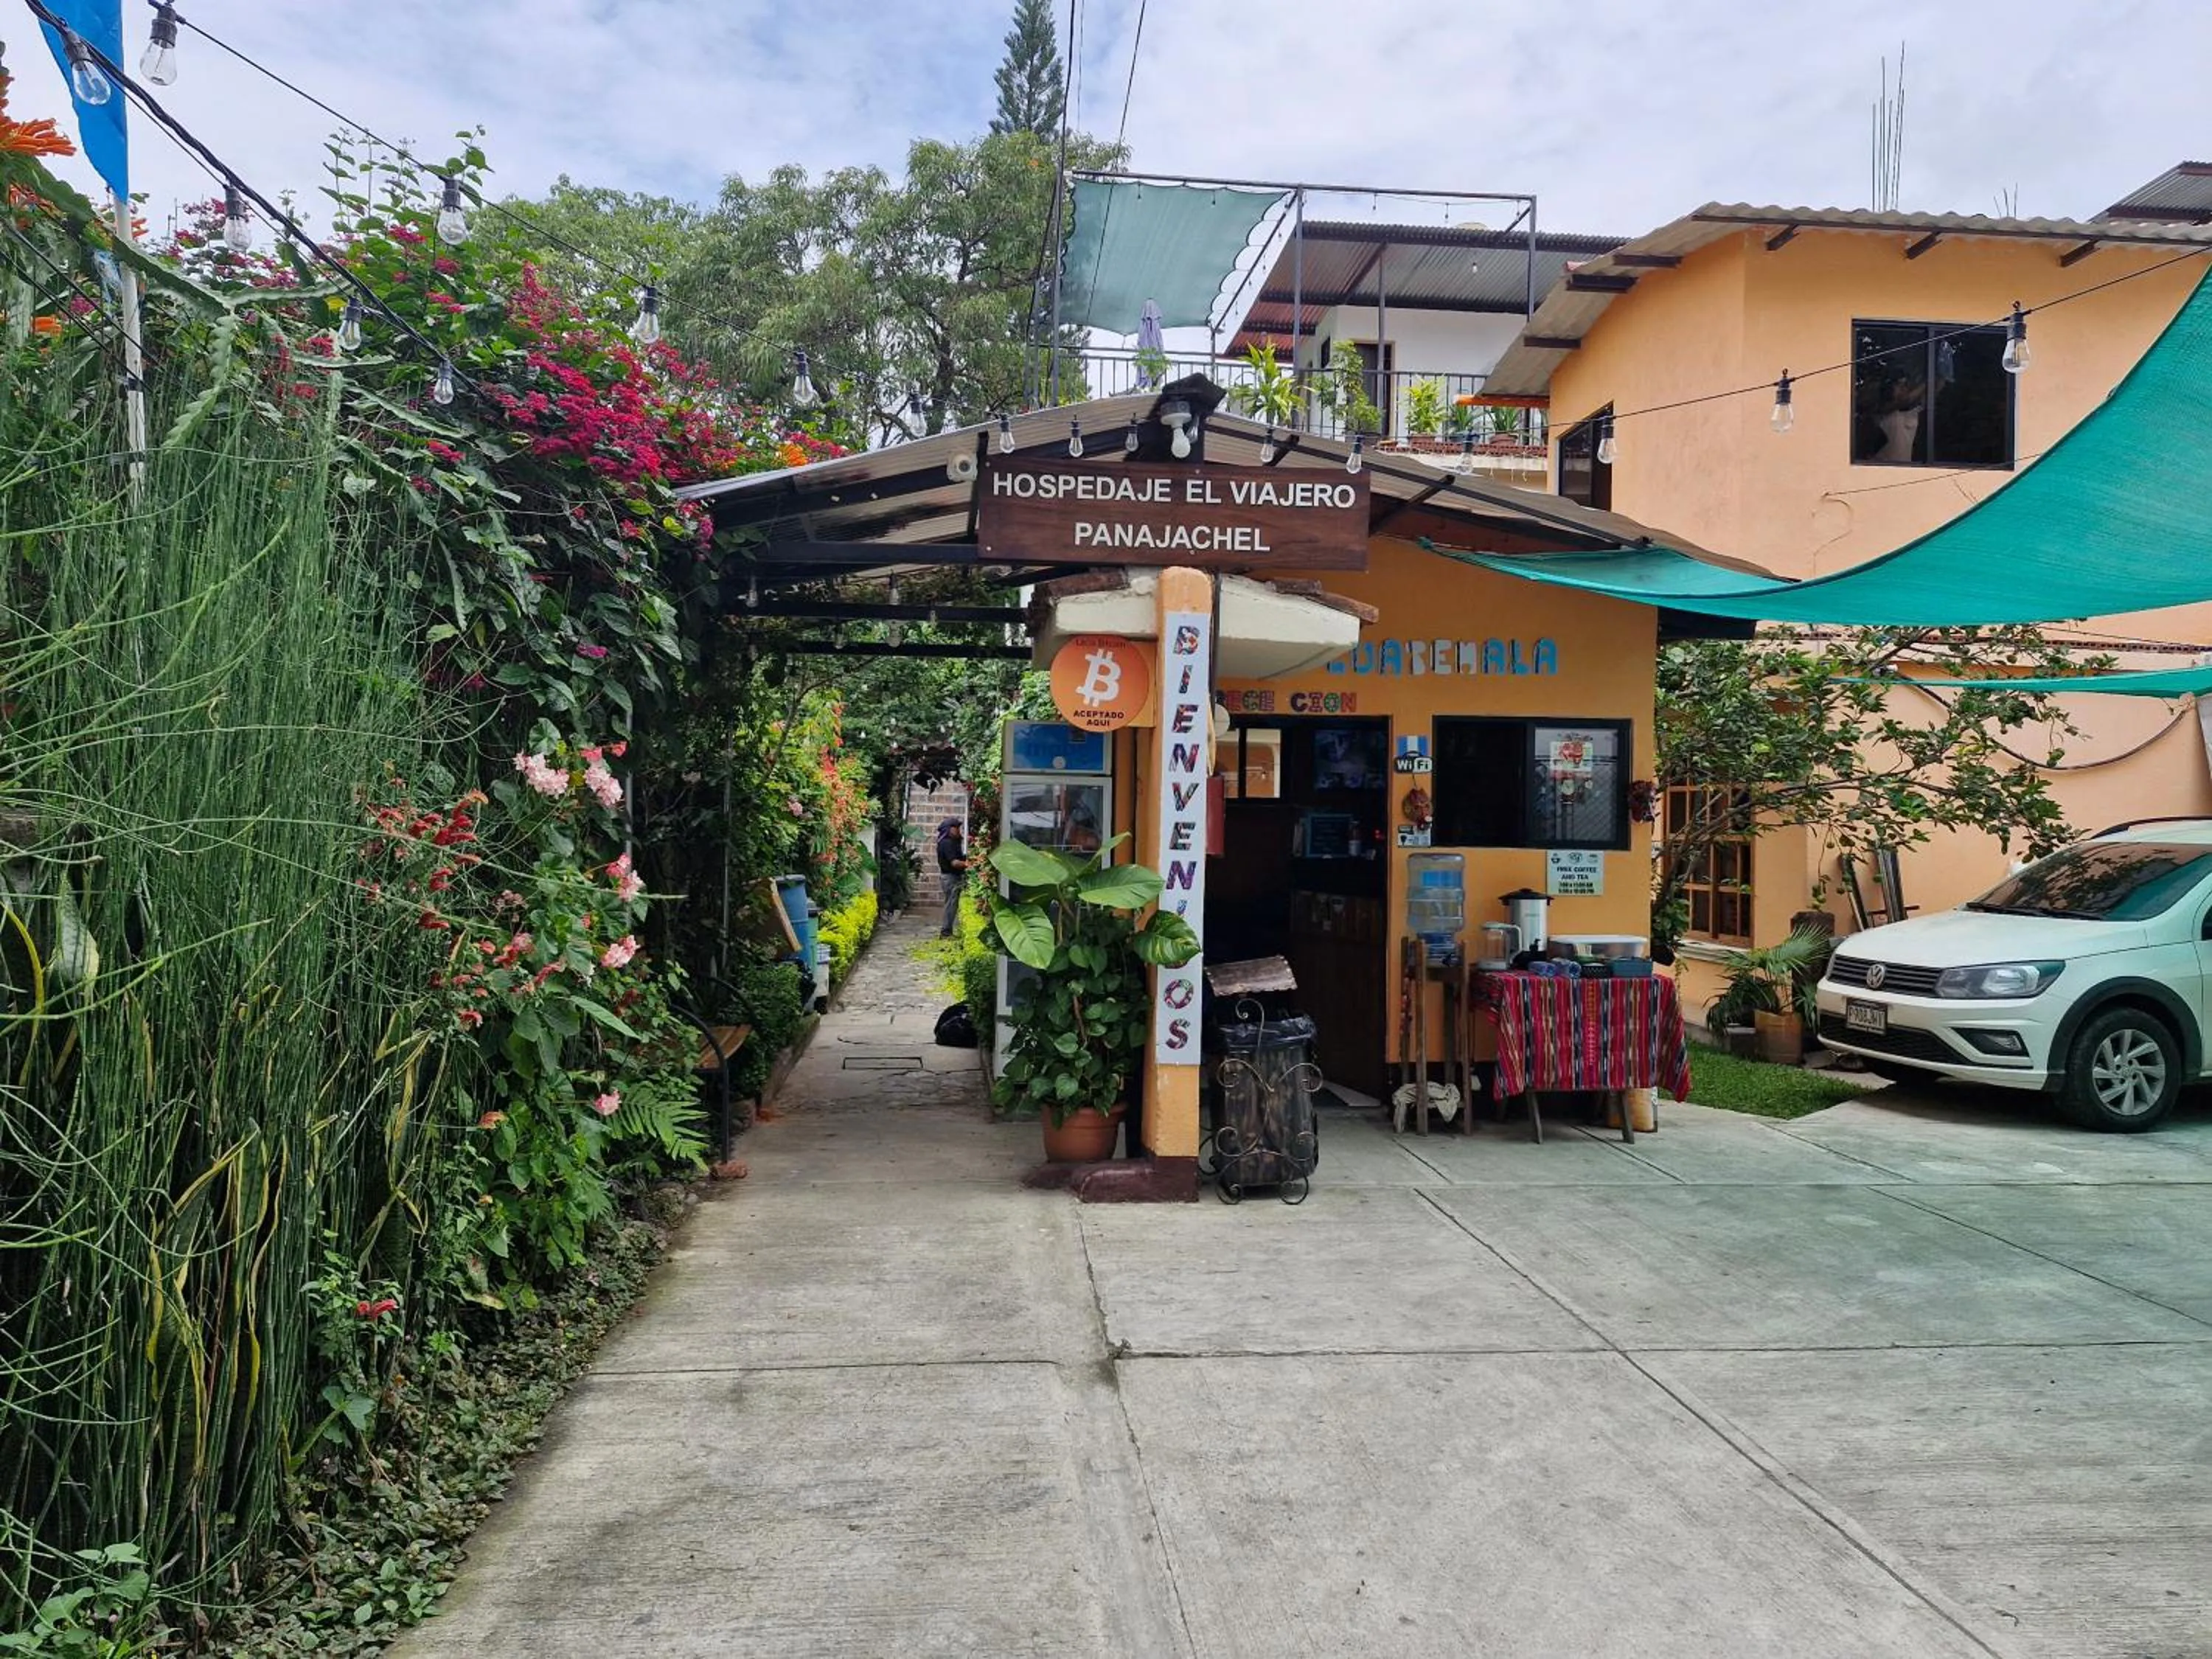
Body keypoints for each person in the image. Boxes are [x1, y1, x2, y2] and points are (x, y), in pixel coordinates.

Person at [936, 816, 968, 938]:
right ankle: (946, 932)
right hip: (950, 878)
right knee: (951, 904)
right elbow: (954, 862)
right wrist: (968, 864)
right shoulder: (947, 843)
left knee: (951, 903)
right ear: (949, 829)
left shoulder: (950, 842)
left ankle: (947, 931)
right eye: (956, 828)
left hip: (950, 877)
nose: (959, 831)